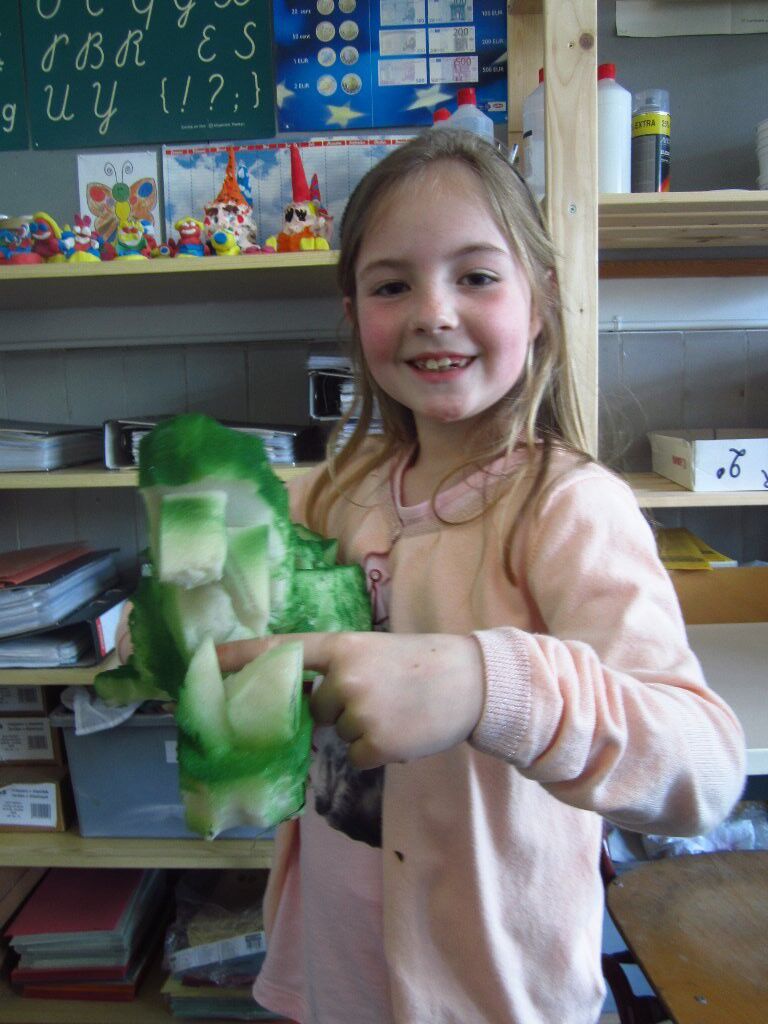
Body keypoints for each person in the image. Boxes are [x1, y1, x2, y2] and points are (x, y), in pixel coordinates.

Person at [123, 129, 746, 1023]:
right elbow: (218, 635)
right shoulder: (331, 492)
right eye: (391, 286)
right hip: (332, 969)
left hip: (493, 991)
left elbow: (704, 769)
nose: (434, 312)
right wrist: (183, 622)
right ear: (353, 315)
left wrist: (486, 686)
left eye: (477, 276)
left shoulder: (569, 509)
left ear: (541, 301)